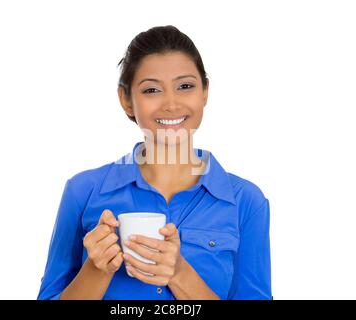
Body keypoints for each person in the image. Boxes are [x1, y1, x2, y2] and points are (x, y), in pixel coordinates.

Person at [37, 25, 272, 300]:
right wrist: (96, 269)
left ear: (205, 92)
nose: (171, 104)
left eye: (185, 86)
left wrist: (180, 273)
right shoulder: (83, 191)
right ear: (126, 100)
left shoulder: (246, 201)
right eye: (151, 90)